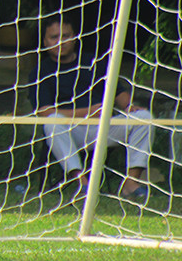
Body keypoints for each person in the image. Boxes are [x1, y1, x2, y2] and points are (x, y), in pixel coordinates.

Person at [27, 15, 150, 200]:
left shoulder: (94, 62)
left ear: (75, 37)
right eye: (54, 37)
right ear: (45, 42)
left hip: (102, 127)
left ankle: (131, 183)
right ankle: (82, 184)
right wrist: (87, 113)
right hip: (68, 132)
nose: (61, 41)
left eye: (66, 36)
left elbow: (118, 93)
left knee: (145, 117)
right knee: (52, 122)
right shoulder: (40, 71)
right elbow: (43, 111)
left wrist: (129, 106)